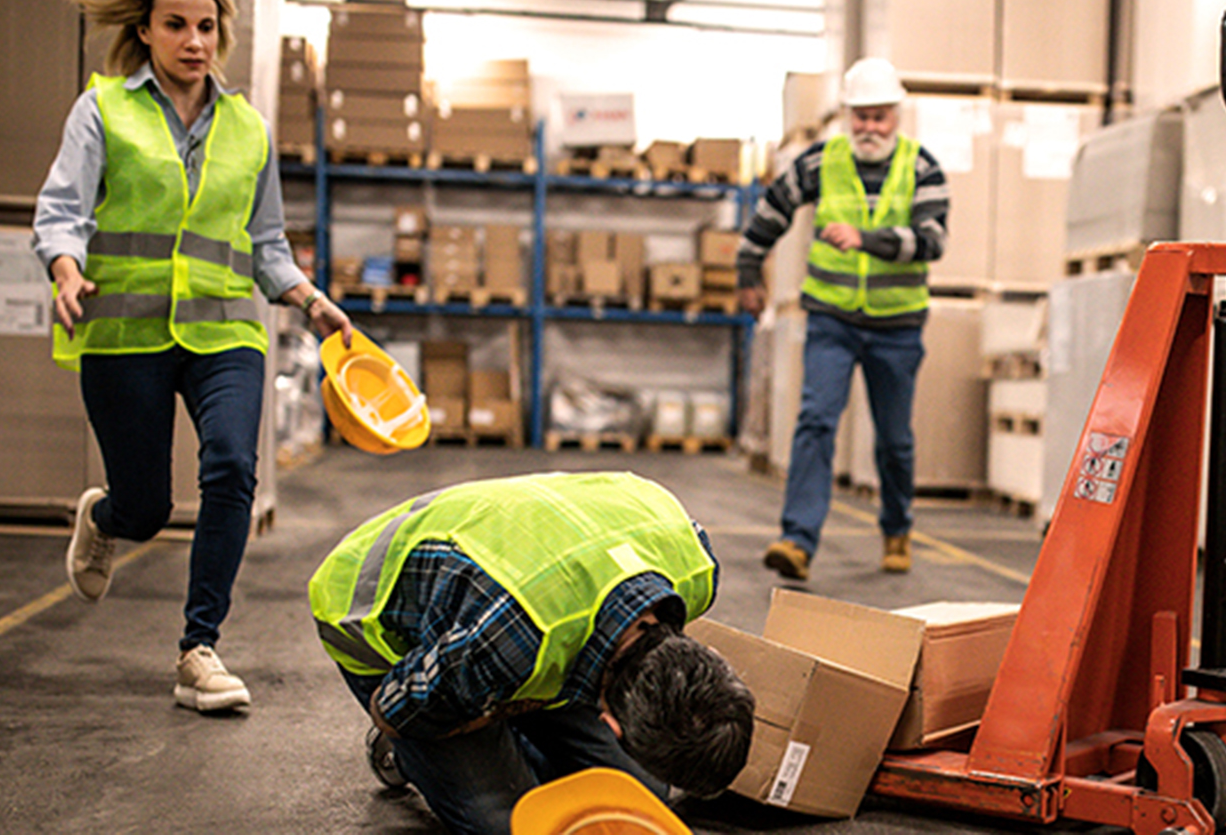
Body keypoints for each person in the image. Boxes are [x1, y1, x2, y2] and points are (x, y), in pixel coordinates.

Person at [32, 0, 353, 713]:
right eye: (176, 25)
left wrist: (310, 301)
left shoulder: (247, 130)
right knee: (146, 510)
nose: (194, 41)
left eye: (206, 27)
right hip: (126, 334)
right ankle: (106, 517)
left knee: (233, 468)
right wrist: (66, 270)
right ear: (145, 32)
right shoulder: (104, 109)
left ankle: (198, 649)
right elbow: (62, 210)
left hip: (225, 331)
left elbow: (266, 243)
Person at [308, 471, 755, 834]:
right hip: (372, 614)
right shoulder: (511, 637)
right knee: (510, 824)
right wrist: (499, 705)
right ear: (611, 723)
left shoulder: (697, 568)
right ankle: (434, 746)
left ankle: (494, 720)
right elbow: (392, 709)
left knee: (642, 793)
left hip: (515, 605)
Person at [738, 57, 949, 582]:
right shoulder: (820, 162)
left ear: (895, 116)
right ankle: (797, 540)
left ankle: (897, 528)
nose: (869, 127)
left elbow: (932, 241)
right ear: (847, 116)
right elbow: (772, 210)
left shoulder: (922, 168)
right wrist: (748, 269)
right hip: (831, 319)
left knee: (894, 440)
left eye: (879, 116)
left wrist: (866, 240)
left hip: (897, 326)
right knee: (816, 420)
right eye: (861, 116)